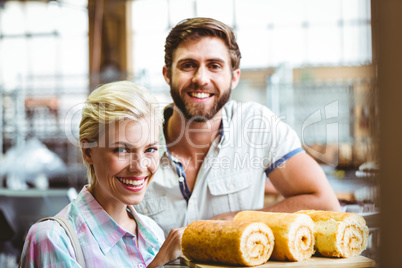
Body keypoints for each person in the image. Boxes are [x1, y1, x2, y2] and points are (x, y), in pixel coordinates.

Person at [134, 17, 341, 236]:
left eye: (214, 66)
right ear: (167, 74)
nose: (201, 78)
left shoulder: (257, 127)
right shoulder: (134, 136)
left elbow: (326, 205)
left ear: (234, 77)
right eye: (188, 65)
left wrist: (238, 220)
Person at [19, 81, 182, 267]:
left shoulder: (152, 233)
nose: (140, 166)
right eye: (122, 150)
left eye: (150, 149)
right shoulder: (53, 239)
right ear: (88, 152)